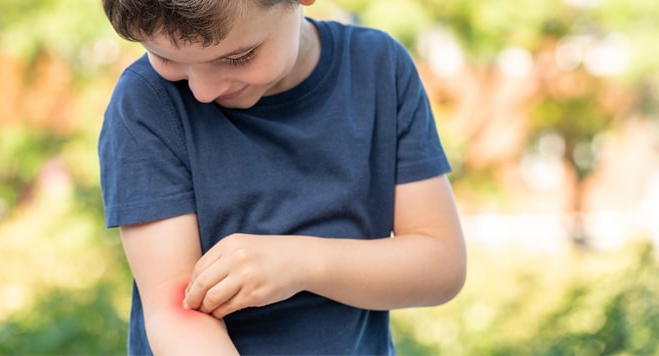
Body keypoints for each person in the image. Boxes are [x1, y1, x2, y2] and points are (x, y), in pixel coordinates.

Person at [97, 0, 467, 354]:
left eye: (238, 57)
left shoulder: (380, 69)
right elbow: (174, 315)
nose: (202, 91)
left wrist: (301, 263)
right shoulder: (146, 103)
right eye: (167, 58)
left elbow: (440, 263)